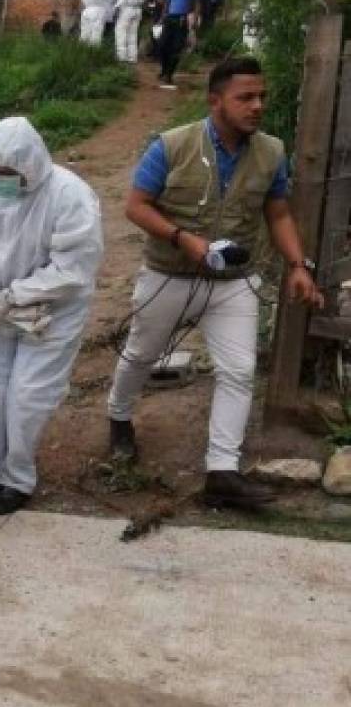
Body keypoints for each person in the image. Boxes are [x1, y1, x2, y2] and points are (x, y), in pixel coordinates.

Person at [107, 58, 324, 509]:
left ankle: (221, 472)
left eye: (261, 96)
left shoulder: (271, 152)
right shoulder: (171, 145)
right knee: (142, 355)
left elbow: (278, 212)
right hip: (169, 274)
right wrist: (182, 239)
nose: (257, 106)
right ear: (215, 101)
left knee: (239, 371)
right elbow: (136, 205)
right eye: (245, 97)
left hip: (232, 282)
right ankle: (119, 417)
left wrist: (298, 265)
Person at [0, 117, 104, 515]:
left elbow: (72, 270)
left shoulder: (69, 195)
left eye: (10, 172)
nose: (1, 179)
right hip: (0, 310)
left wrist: (14, 295)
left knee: (27, 397)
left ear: (33, 162)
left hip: (54, 311)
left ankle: (16, 479)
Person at [157, 0, 202, 89]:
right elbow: (167, 2)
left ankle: (169, 74)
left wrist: (195, 20)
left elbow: (197, 5)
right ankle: (164, 69)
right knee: (162, 45)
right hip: (170, 18)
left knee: (176, 48)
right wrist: (162, 17)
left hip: (182, 19)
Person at [115, 0, 150, 64]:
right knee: (133, 34)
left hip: (127, 9)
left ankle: (122, 57)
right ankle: (132, 57)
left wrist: (117, 9)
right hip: (138, 10)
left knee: (121, 32)